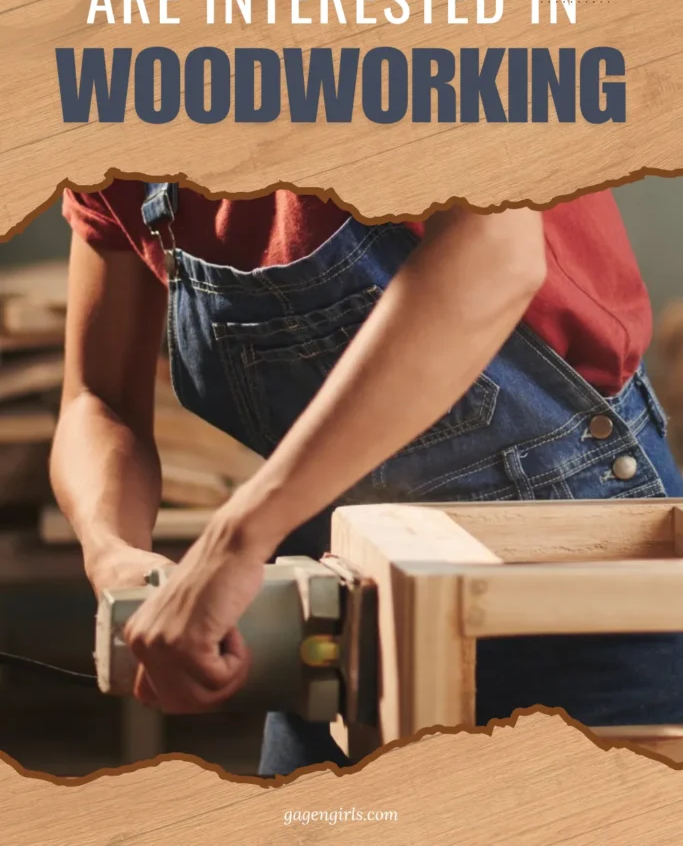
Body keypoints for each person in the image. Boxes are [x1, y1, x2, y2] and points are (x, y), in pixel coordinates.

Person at [50, 181, 683, 777]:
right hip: (342, 595)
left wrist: (238, 537)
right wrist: (111, 552)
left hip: (574, 558)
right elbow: (97, 399)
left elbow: (494, 258)